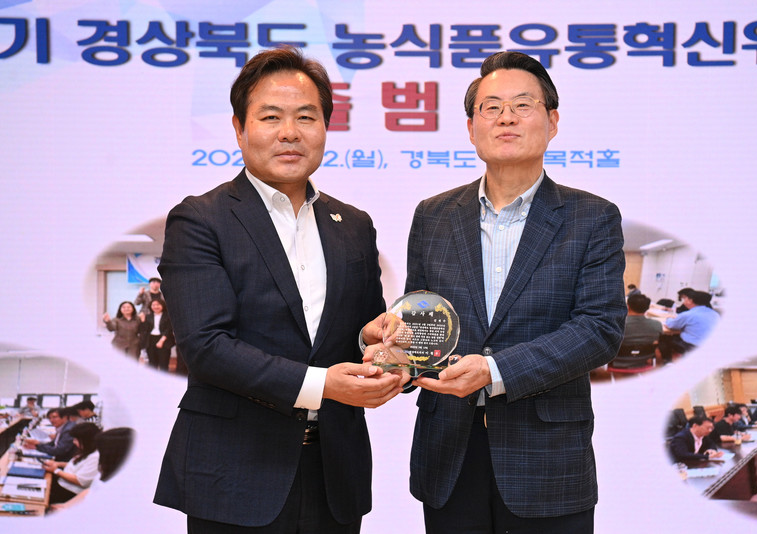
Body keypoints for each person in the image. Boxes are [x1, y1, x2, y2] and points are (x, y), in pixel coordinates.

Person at [153, 47, 402, 533]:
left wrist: (379, 344)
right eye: (271, 117)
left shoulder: (354, 224)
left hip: (335, 474)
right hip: (234, 476)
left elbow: (362, 334)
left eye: (306, 117)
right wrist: (323, 385)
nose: (290, 132)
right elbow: (207, 347)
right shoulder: (200, 219)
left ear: (326, 127)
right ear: (239, 128)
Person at [374, 51, 626, 533]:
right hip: (448, 452)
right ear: (472, 129)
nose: (506, 117)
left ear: (552, 122)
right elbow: (424, 322)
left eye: (522, 105)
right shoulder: (433, 215)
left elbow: (599, 330)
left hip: (547, 458)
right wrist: (393, 358)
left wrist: (494, 371)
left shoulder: (592, 217)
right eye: (490, 107)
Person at [49, 427, 135, 512]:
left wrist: (56, 470)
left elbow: (81, 482)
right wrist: (65, 506)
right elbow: (91, 489)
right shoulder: (103, 466)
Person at [42, 422, 101, 504]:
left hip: (69, 492)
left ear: (86, 440)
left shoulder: (95, 457)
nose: (74, 442)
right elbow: (76, 465)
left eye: (76, 439)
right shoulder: (87, 450)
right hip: (62, 484)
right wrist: (58, 464)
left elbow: (80, 481)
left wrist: (55, 470)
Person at [657, 290, 720, 363]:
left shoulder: (688, 314)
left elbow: (671, 325)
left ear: (690, 300)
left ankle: (668, 362)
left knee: (664, 339)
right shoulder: (715, 314)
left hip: (692, 346)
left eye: (685, 298)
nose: (684, 300)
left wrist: (669, 318)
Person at [141, 299, 175, 371]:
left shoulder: (168, 316)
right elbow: (144, 330)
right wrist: (143, 321)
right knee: (152, 364)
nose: (156, 307)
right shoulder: (148, 316)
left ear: (162, 305)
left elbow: (169, 329)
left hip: (164, 341)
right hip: (150, 340)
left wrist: (161, 341)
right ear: (150, 306)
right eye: (153, 305)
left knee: (164, 364)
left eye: (158, 304)